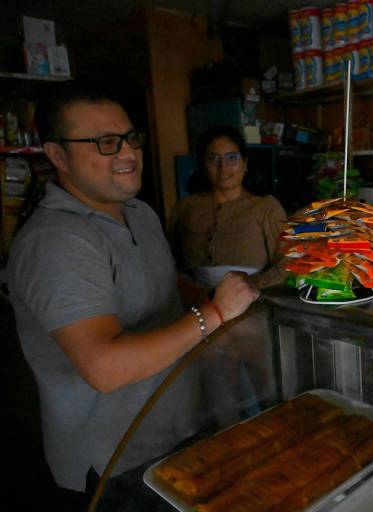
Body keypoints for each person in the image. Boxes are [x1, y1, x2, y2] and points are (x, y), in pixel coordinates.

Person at [6, 85, 260, 511]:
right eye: (105, 143)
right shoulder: (55, 242)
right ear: (57, 155)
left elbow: (159, 287)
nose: (127, 153)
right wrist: (215, 313)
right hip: (115, 466)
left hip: (176, 433)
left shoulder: (139, 213)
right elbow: (105, 367)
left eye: (130, 138)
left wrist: (210, 299)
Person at [168, 125, 288, 424]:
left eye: (232, 157)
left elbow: (289, 263)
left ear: (246, 163)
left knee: (270, 396)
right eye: (213, 158)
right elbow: (169, 260)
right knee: (219, 401)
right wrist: (191, 288)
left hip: (254, 317)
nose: (224, 167)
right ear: (202, 164)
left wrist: (251, 285)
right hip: (200, 313)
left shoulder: (265, 208)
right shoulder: (185, 209)